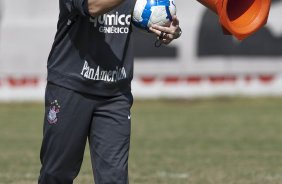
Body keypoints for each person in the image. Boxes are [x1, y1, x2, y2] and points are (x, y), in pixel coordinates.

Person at [38, 0, 182, 183]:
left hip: (115, 94)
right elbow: (93, 7)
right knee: (57, 173)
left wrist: (169, 31)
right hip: (70, 87)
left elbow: (145, 14)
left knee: (114, 178)